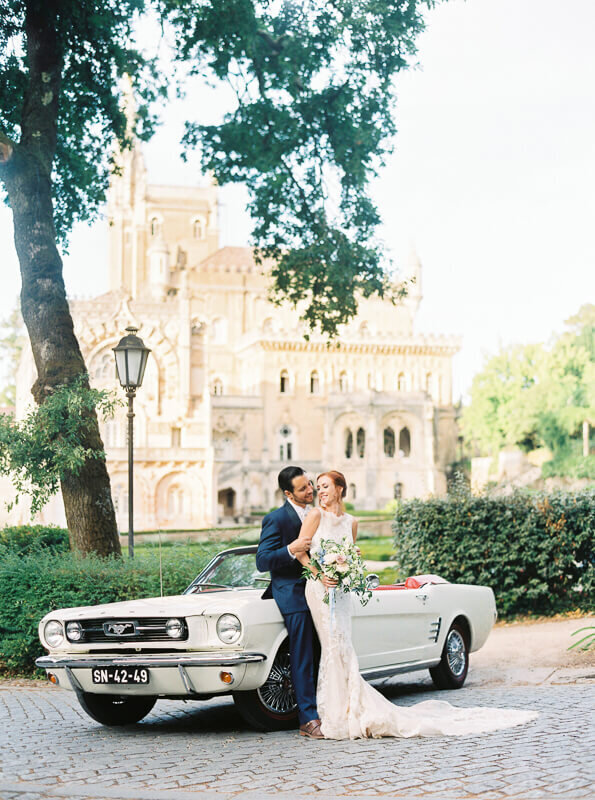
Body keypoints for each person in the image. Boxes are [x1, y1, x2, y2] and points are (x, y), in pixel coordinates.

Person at [295, 469, 539, 740]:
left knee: (344, 644)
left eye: (326, 486)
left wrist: (346, 570)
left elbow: (350, 556)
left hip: (341, 592)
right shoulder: (315, 516)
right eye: (318, 487)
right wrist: (320, 574)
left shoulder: (351, 521)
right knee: (331, 645)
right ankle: (334, 713)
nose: (321, 492)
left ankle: (349, 708)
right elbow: (301, 552)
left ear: (340, 488)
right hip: (319, 590)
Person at [255, 466, 335, 739]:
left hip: (322, 588)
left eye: (310, 484)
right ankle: (308, 719)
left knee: (327, 649)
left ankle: (330, 707)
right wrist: (292, 549)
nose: (311, 490)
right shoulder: (275, 519)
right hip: (291, 591)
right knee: (302, 655)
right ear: (288, 493)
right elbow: (263, 561)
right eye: (303, 489)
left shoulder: (322, 514)